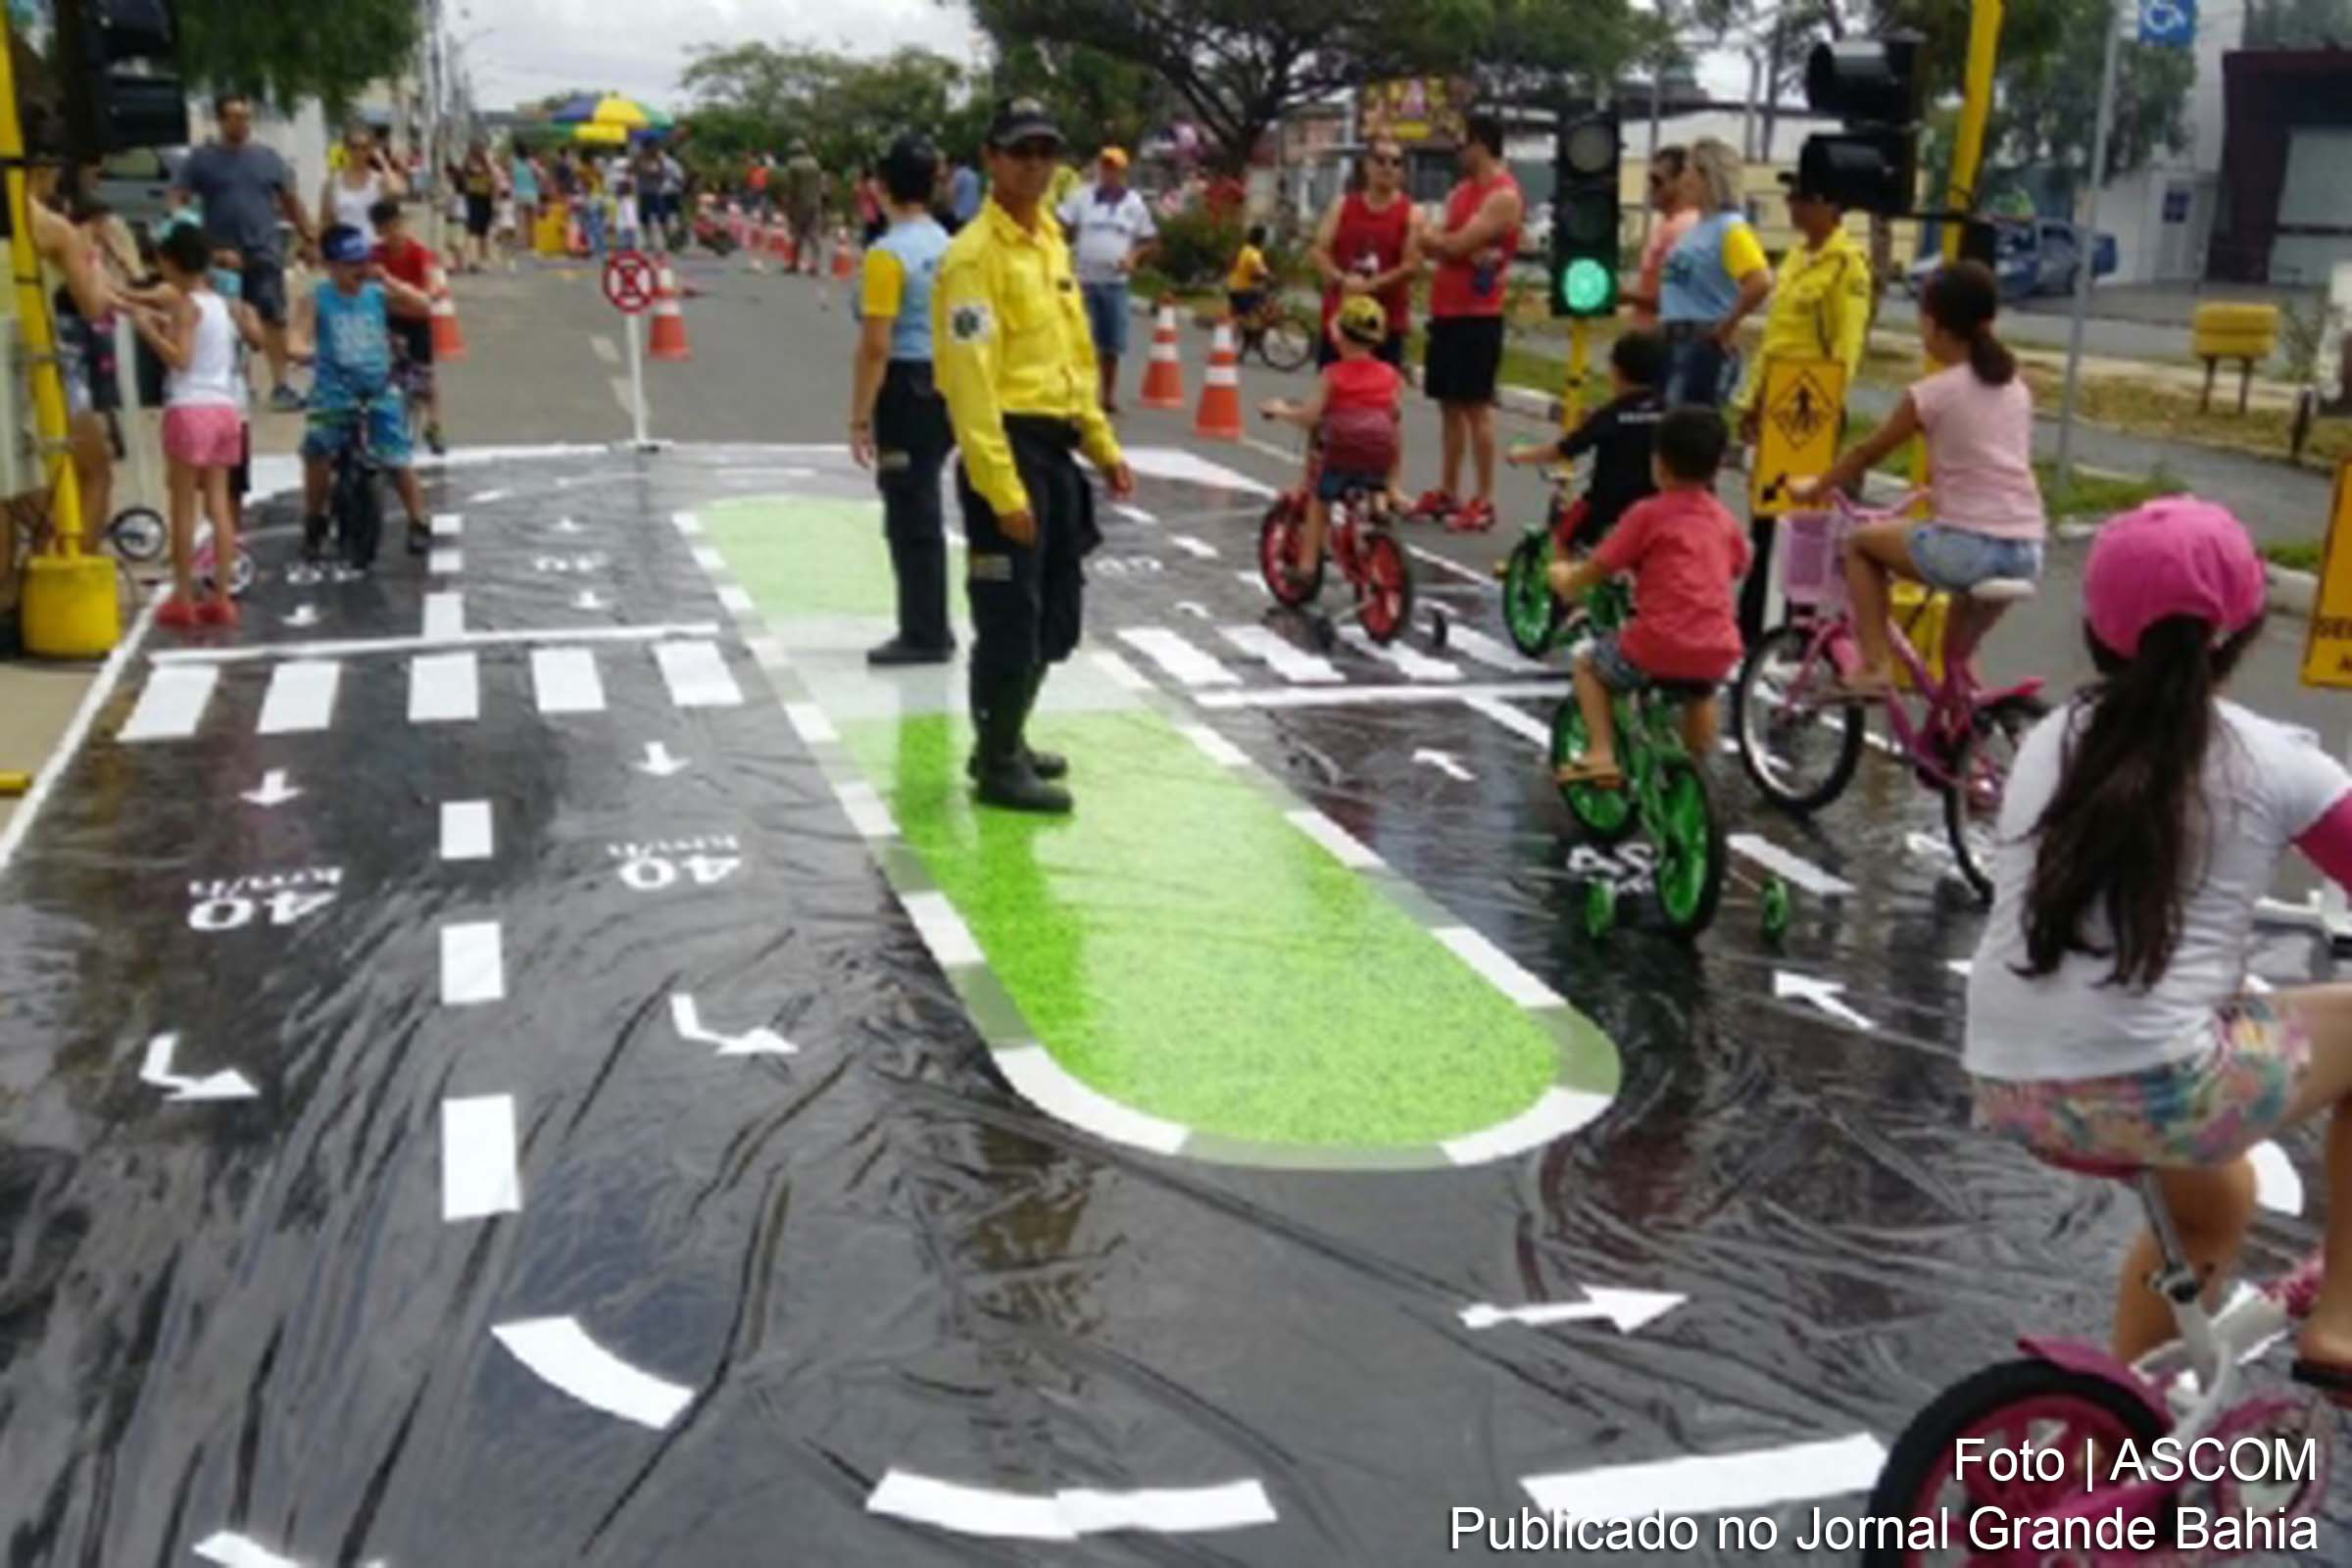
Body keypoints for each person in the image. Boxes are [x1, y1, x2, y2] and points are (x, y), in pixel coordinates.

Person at [1959, 498, 2352, 1385]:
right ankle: (2342, 1322)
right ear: (2244, 633)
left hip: (2011, 1078)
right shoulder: (2276, 761)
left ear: (2096, 631)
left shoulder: (2052, 738)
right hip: (2157, 1085)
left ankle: (2124, 1419)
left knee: (2219, 1203)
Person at [934, 98, 1136, 814]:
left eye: (1047, 151)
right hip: (1008, 450)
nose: (1035, 164)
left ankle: (1010, 738)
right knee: (1008, 617)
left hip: (1056, 449)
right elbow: (970, 383)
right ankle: (995, 763)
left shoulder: (1050, 238)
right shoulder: (971, 257)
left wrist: (1102, 444)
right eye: (1021, 151)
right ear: (990, 159)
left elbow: (1074, 356)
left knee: (1055, 614)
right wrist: (1000, 488)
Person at [1792, 261, 2045, 699]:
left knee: (1860, 544)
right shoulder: (2015, 387)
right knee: (1955, 656)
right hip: (2026, 547)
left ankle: (1874, 666)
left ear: (1933, 324)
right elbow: (1992, 461)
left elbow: (1867, 452)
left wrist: (1814, 486)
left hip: (1969, 547)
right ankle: (1962, 736)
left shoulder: (1932, 393)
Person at [1548, 407, 1748, 788]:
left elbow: (1601, 565)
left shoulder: (1648, 514)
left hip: (1657, 642)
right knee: (1700, 689)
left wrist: (1568, 578)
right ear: (1718, 467)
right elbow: (1737, 564)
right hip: (1719, 645)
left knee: (1588, 663)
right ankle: (1692, 773)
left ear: (1658, 464)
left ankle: (1601, 752)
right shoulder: (1723, 518)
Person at [1731, 167, 1872, 645]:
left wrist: (1823, 412)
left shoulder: (1846, 266)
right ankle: (1755, 621)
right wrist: (1752, 401)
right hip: (1776, 403)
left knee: (1805, 525)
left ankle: (1799, 625)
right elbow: (1775, 342)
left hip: (1811, 410)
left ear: (1832, 207)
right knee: (1767, 522)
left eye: (1804, 198)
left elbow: (1845, 350)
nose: (1793, 206)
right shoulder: (1794, 258)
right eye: (1791, 197)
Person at [849, 133, 956, 666]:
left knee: (910, 512)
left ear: (881, 187)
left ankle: (925, 631)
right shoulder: (950, 246)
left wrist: (859, 416)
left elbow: (875, 344)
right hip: (949, 381)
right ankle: (932, 621)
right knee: (927, 503)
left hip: (905, 386)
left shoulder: (886, 257)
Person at [291, 223, 434, 563]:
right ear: (330, 266)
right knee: (318, 450)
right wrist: (305, 353)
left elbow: (423, 305)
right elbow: (295, 340)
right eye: (349, 264)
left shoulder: (376, 294)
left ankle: (418, 520)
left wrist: (388, 280)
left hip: (378, 386)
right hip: (333, 389)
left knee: (396, 456)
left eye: (363, 262)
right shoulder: (317, 299)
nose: (359, 270)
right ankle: (315, 519)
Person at [131, 224, 245, 631]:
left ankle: (183, 597)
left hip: (188, 407)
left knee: (183, 506)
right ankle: (222, 596)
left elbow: (180, 359)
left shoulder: (184, 305)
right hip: (224, 409)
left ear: (171, 263)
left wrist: (147, 331)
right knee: (218, 504)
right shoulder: (218, 304)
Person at [1415, 109, 1524, 533]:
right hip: (1447, 308)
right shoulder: (1460, 192)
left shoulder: (1503, 195)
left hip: (1480, 313)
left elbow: (1456, 243)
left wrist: (1443, 244)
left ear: (1481, 144)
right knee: (1448, 404)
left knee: (1476, 406)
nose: (1459, 151)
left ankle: (1483, 498)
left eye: (1464, 143)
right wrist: (1442, 244)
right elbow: (1437, 241)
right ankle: (1448, 489)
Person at [174, 91, 316, 412]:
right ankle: (241, 384)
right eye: (235, 117)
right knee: (230, 319)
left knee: (272, 317)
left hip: (263, 248)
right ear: (221, 120)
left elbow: (291, 201)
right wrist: (191, 237)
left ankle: (281, 385)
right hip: (221, 254)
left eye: (246, 117)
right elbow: (178, 197)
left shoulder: (267, 158)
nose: (242, 123)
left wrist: (309, 235)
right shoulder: (202, 160)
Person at [1257, 295, 1404, 584]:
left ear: (1339, 336)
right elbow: (1394, 413)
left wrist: (1280, 410)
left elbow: (1311, 416)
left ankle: (1307, 567)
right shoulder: (1389, 375)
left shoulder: (1333, 375)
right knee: (1382, 453)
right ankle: (1381, 504)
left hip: (1341, 455)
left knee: (1318, 503)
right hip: (1378, 456)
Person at [1504, 328, 1668, 555]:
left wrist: (1521, 454)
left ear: (1617, 370)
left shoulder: (1612, 415)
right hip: (1659, 505)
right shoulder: (1670, 412)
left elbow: (1565, 450)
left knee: (1562, 540)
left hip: (1606, 507)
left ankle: (1565, 587)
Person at [1656, 137, 1772, 408]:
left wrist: (1728, 323)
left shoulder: (1730, 229)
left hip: (1699, 340)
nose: (1683, 180)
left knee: (1682, 428)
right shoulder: (1699, 227)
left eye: (1688, 171)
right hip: (1673, 336)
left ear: (1708, 177)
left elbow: (1760, 280)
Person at [1055, 146, 1157, 416]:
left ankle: (1107, 395)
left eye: (1114, 168)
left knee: (1111, 344)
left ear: (1123, 172)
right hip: (1084, 279)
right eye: (1105, 167)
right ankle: (1078, 395)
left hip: (1115, 283)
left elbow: (1150, 240)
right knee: (1080, 341)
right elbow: (1060, 226)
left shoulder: (1134, 204)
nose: (1108, 173)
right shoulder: (1082, 197)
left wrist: (1134, 256)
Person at [1309, 135, 1419, 369]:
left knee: (1379, 400)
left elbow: (1411, 266)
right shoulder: (1342, 206)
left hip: (1385, 325)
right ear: (1367, 165)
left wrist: (1372, 285)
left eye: (1395, 162)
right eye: (1381, 160)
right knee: (1332, 393)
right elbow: (1319, 250)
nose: (1388, 167)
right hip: (1341, 321)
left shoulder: (1411, 214)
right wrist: (1341, 279)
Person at [369, 199, 444, 457]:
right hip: (389, 322)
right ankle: (391, 424)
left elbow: (431, 290)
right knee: (388, 374)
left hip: (417, 321)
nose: (395, 234)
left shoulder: (418, 254)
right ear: (379, 231)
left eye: (398, 226)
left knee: (425, 376)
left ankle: (433, 425)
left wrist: (406, 295)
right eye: (387, 229)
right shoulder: (375, 256)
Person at [1620, 146, 1695, 330]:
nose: (1651, 188)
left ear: (1682, 181)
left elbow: (1680, 299)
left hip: (1667, 341)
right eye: (1650, 181)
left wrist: (1626, 296)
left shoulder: (1684, 229)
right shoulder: (1666, 226)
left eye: (1657, 181)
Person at [319, 121, 403, 251]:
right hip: (345, 253)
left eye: (364, 147)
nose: (359, 152)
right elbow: (326, 221)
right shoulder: (333, 182)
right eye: (354, 147)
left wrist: (382, 162)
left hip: (375, 250)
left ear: (371, 149)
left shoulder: (379, 180)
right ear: (346, 147)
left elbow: (397, 191)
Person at [782, 139, 825, 276]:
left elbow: (792, 187)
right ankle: (815, 264)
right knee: (814, 233)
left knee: (797, 233)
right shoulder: (815, 163)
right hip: (815, 202)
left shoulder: (793, 165)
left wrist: (788, 204)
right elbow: (821, 184)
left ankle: (794, 263)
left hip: (799, 203)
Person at [457, 140, 499, 271]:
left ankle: (473, 260)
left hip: (472, 199)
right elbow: (494, 183)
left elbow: (461, 182)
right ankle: (481, 261)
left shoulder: (466, 165)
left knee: (472, 231)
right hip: (484, 199)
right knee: (482, 232)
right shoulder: (486, 166)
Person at [1226, 223, 1272, 325]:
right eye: (1264, 238)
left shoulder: (1245, 249)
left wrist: (1261, 276)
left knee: (1259, 294)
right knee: (1259, 301)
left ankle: (1240, 324)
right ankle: (1229, 326)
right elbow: (1261, 269)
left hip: (1233, 286)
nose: (1265, 241)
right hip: (1241, 291)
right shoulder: (1254, 253)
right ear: (1260, 239)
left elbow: (1251, 270)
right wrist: (1270, 277)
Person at [510, 145, 541, 253]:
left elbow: (511, 178)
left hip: (519, 193)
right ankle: (533, 244)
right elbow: (538, 176)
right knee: (531, 220)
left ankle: (522, 243)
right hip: (531, 193)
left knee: (520, 220)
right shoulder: (532, 163)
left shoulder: (514, 162)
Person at [947, 158, 982, 233]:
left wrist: (949, 208)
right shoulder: (974, 175)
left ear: (954, 165)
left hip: (961, 216)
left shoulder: (958, 174)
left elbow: (950, 192)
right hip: (974, 215)